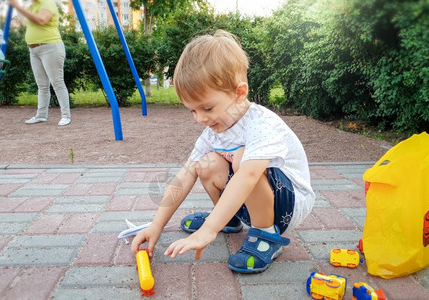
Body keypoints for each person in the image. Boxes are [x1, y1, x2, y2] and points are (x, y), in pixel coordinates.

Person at [131, 30, 315, 273]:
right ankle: (229, 219)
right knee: (205, 164)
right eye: (192, 111)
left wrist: (207, 230)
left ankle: (266, 236)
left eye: (207, 107)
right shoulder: (214, 129)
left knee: (241, 160)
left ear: (239, 93)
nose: (200, 118)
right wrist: (156, 225)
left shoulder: (261, 124)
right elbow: (185, 176)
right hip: (257, 196)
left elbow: (249, 176)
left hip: (288, 205)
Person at [8, 0, 71, 126]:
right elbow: (26, 23)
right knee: (42, 85)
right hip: (33, 50)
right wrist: (18, 9)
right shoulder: (32, 6)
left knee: (57, 82)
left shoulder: (47, 3)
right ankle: (41, 115)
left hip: (50, 47)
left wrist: (18, 6)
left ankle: (66, 116)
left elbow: (41, 20)